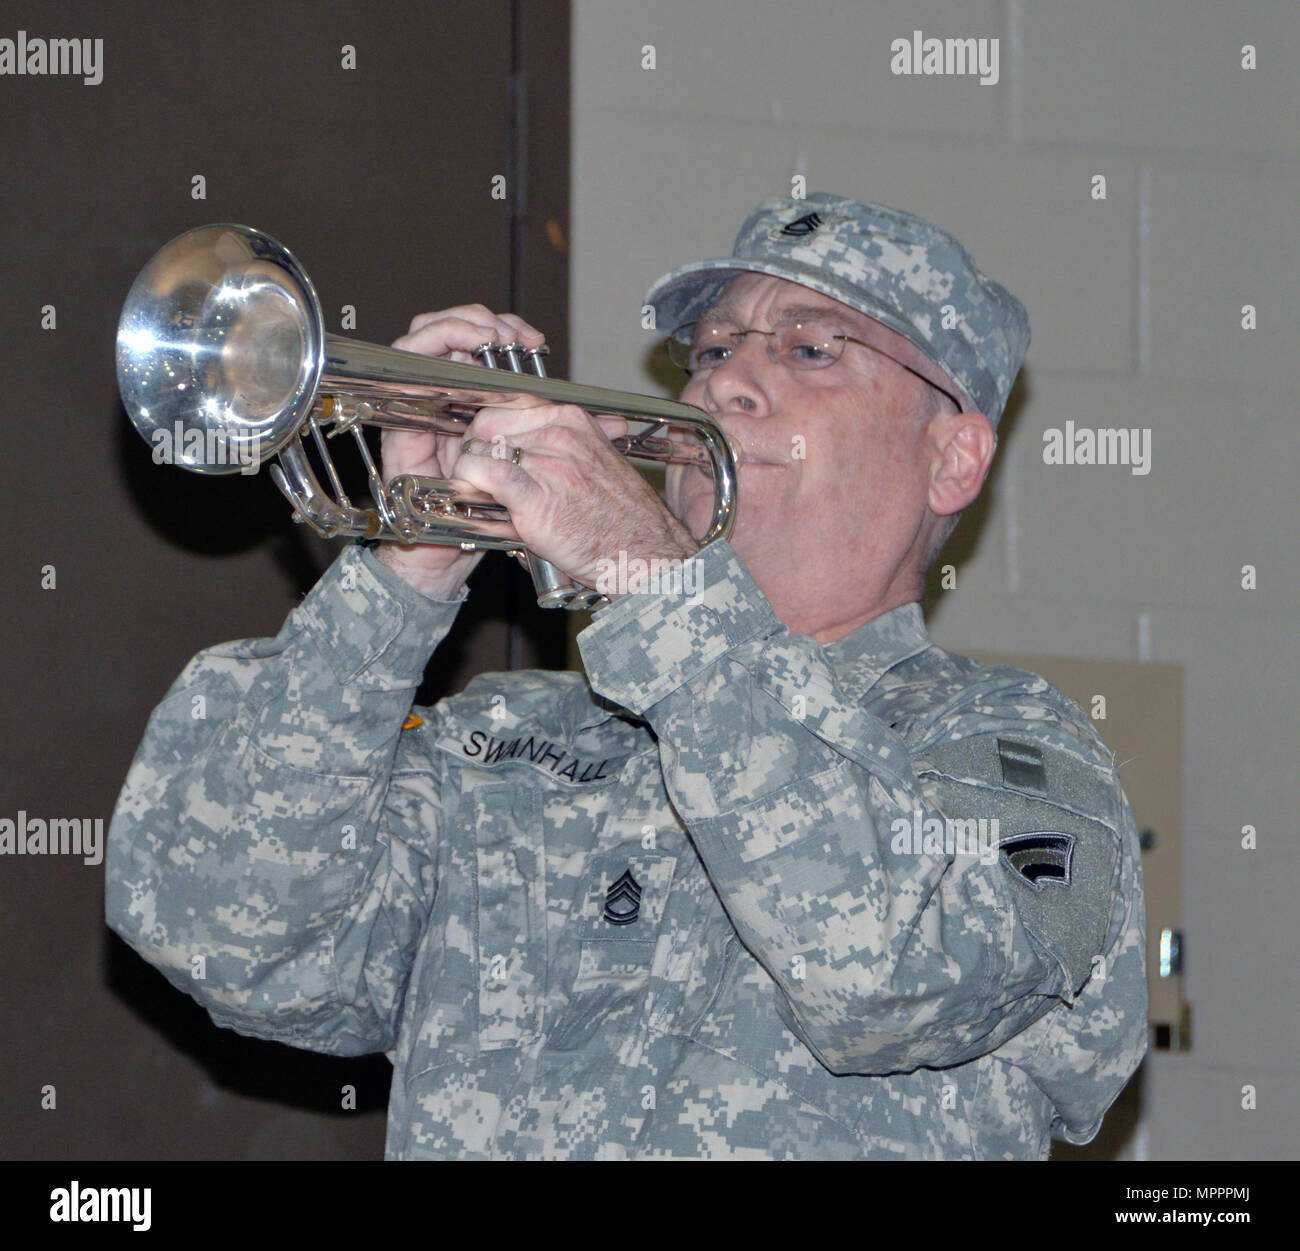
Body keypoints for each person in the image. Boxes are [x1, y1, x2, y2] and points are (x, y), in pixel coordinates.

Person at [106, 193, 1147, 1160]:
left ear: (952, 458)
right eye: (712, 347)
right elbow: (224, 931)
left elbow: (891, 979)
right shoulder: (505, 738)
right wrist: (402, 571)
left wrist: (658, 587)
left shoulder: (1003, 748)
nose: (726, 378)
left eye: (812, 350)